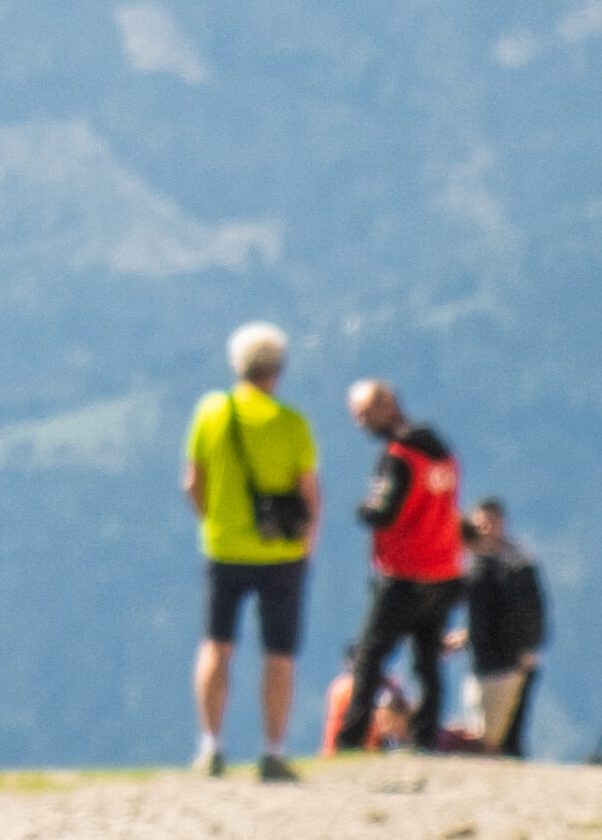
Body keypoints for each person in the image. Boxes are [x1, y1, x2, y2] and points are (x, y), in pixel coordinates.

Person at [185, 326, 320, 782]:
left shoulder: (211, 412)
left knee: (216, 646)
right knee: (279, 655)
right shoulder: (291, 422)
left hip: (222, 549)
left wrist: (212, 521)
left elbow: (192, 481)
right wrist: (306, 548)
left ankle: (211, 746)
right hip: (280, 555)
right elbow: (309, 495)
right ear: (277, 370)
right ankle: (273, 751)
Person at [336, 380, 463, 750]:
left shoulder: (398, 456)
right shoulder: (442, 453)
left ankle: (352, 737)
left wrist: (364, 510)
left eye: (365, 413)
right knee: (427, 661)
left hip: (403, 573)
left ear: (388, 405)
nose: (361, 424)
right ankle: (425, 738)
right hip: (443, 570)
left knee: (371, 656)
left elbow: (384, 510)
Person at [458, 498, 549, 753]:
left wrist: (527, 647)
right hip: (482, 659)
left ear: (501, 524)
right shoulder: (475, 563)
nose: (485, 529)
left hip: (510, 660)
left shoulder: (515, 565)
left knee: (500, 737)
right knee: (484, 730)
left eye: (490, 523)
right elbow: (485, 615)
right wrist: (466, 637)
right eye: (480, 524)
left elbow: (526, 613)